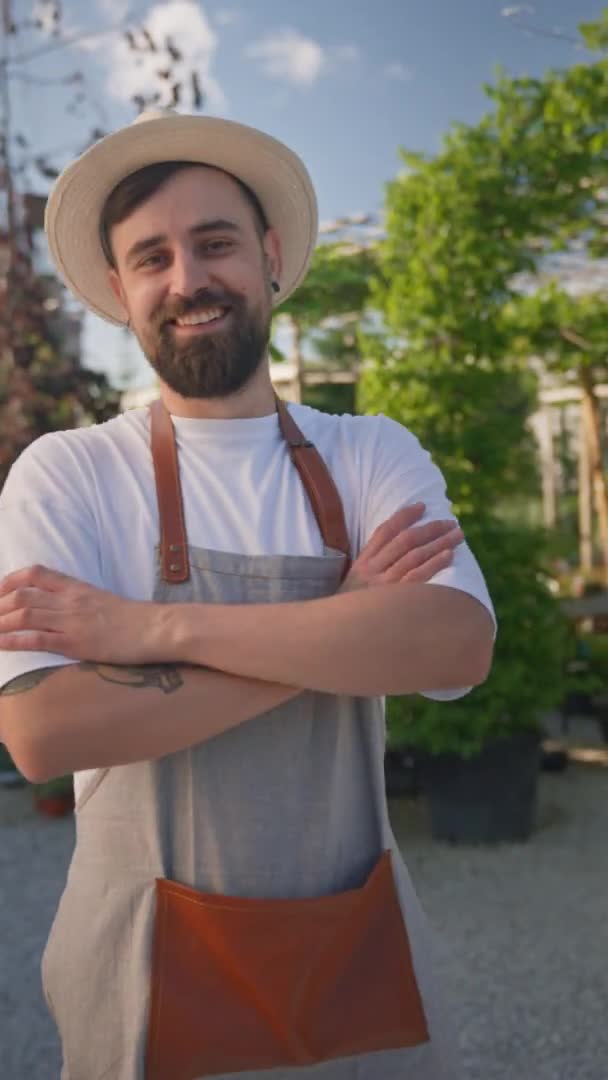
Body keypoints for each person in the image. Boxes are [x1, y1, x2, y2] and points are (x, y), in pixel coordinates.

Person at [0, 110, 496, 1080]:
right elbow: (47, 734)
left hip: (355, 963)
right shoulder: (65, 475)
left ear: (269, 256)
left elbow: (450, 648)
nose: (186, 280)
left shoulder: (368, 452)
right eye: (151, 258)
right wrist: (344, 624)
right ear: (118, 289)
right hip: (140, 974)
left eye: (214, 243)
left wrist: (152, 628)